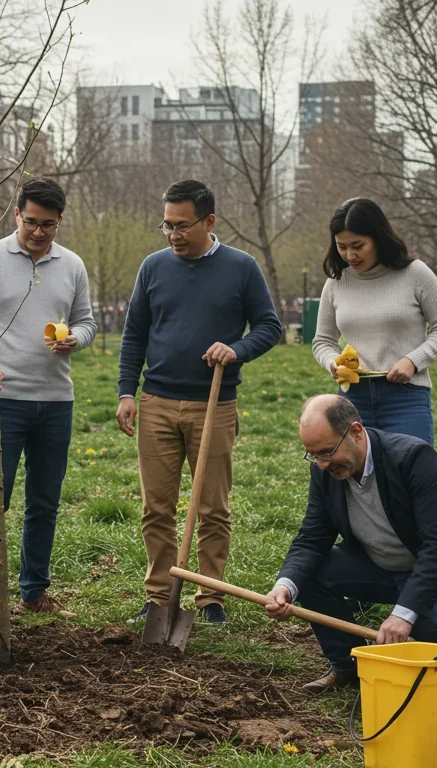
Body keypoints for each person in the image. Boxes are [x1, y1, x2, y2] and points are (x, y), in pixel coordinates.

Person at [117, 179, 283, 626]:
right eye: (166, 225)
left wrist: (236, 350)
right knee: (157, 507)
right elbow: (134, 334)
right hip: (157, 401)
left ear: (209, 221)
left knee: (211, 507)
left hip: (215, 404)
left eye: (182, 225)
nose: (173, 234)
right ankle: (158, 596)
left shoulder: (242, 268)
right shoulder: (153, 268)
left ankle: (210, 597)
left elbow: (270, 327)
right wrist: (126, 392)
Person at [0, 177, 96, 622]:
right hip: (2, 400)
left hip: (56, 401)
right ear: (16, 215)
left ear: (60, 221)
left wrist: (76, 340)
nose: (38, 232)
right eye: (31, 222)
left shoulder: (72, 265)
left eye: (48, 225)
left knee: (45, 500)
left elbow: (86, 322)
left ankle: (35, 590)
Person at [264, 395, 437, 693]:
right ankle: (349, 666)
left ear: (355, 431)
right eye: (312, 455)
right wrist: (285, 586)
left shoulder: (414, 458)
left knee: (427, 621)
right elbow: (313, 537)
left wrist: (403, 614)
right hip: (376, 565)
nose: (322, 463)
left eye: (327, 452)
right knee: (307, 577)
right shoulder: (323, 471)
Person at [311, 199, 437, 445]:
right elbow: (322, 341)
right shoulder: (336, 282)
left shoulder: (416, 274)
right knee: (357, 476)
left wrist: (412, 361)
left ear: (378, 238)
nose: (350, 255)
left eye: (358, 245)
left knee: (411, 474)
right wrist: (333, 364)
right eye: (341, 246)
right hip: (353, 398)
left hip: (407, 395)